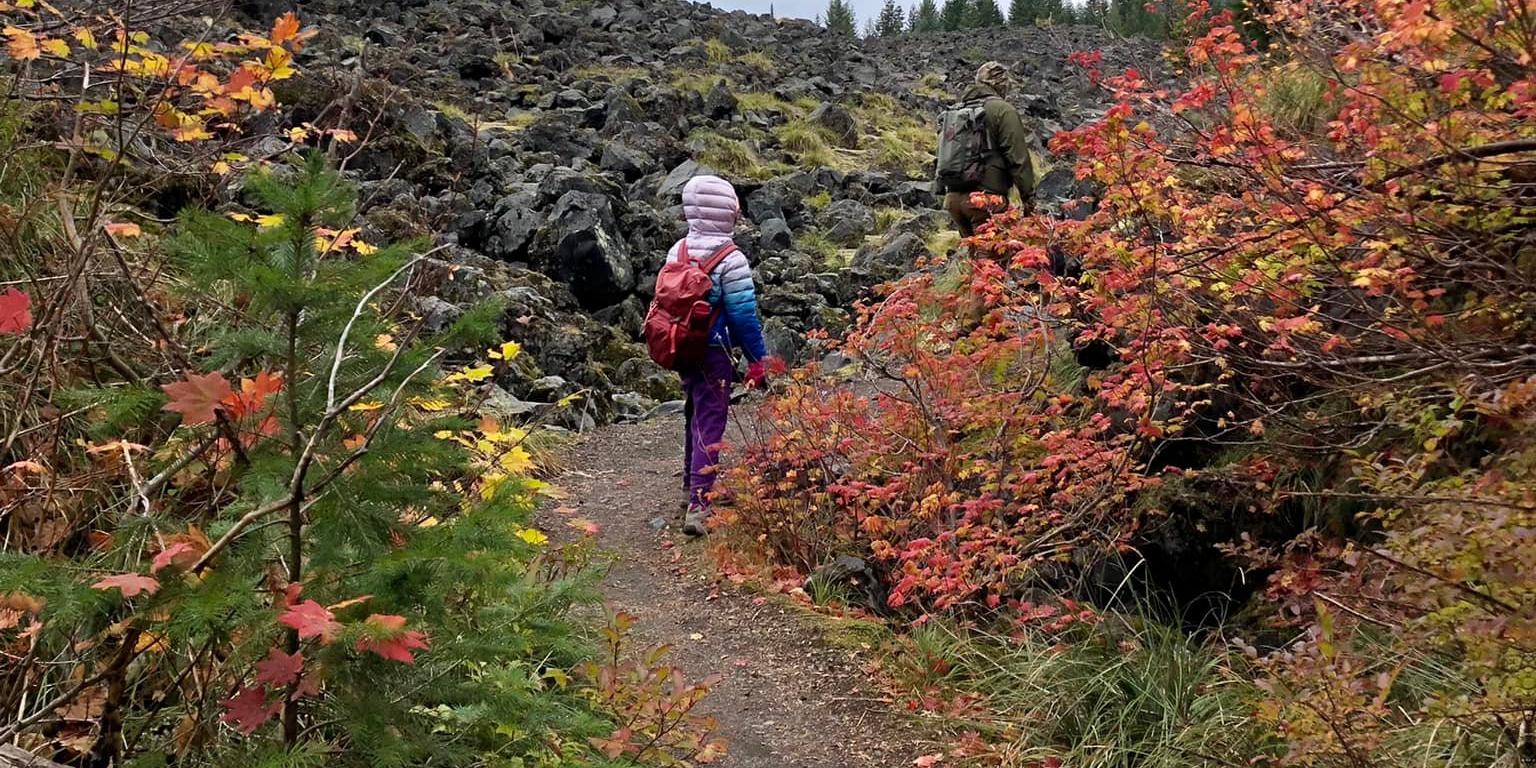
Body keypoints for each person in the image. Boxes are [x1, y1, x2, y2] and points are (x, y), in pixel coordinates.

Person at [668, 174, 774, 538]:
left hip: (683, 348)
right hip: (716, 351)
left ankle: (688, 489)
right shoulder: (732, 259)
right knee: (711, 421)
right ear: (729, 211)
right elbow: (744, 316)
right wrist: (759, 361)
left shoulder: (678, 250)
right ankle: (699, 507)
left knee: (693, 414)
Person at [932, 61, 1042, 237]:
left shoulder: (956, 110)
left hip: (953, 200)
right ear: (1002, 85)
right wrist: (1028, 198)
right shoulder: (1002, 110)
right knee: (990, 259)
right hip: (986, 200)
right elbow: (1017, 158)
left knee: (973, 257)